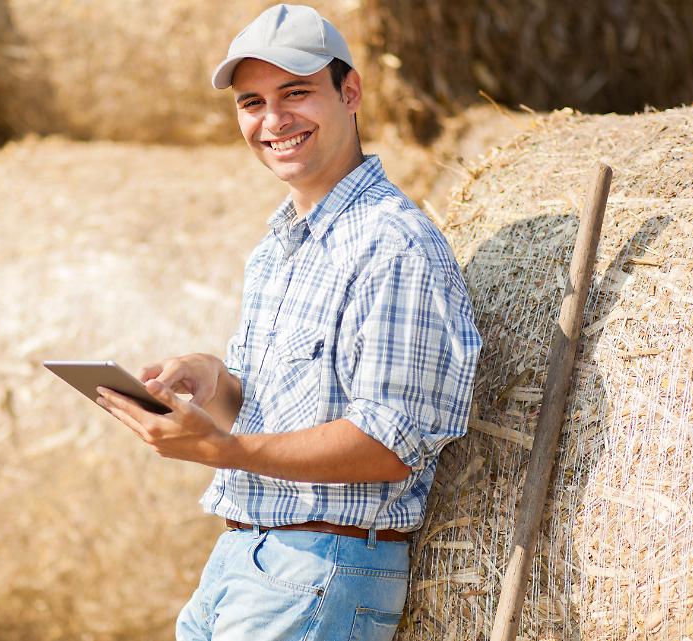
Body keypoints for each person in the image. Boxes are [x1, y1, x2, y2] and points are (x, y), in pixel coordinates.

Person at [95, 4, 482, 639]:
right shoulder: (276, 249)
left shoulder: (393, 246)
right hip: (243, 558)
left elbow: (388, 444)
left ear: (350, 93)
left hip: (322, 568)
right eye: (252, 103)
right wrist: (215, 383)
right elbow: (282, 416)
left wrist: (221, 450)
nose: (273, 121)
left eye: (295, 93)